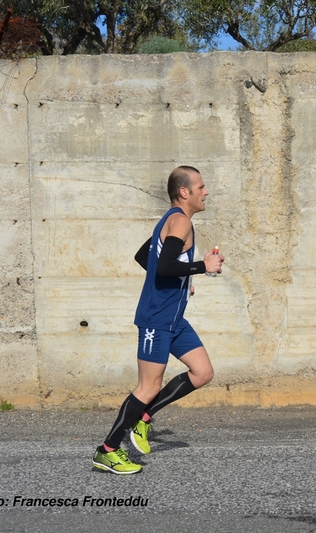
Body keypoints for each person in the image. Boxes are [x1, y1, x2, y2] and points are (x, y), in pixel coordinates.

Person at [92, 165, 224, 474]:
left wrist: (182, 280)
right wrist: (203, 267)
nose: (206, 192)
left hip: (174, 319)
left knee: (202, 372)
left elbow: (145, 258)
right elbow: (163, 267)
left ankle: (145, 418)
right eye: (201, 187)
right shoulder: (180, 222)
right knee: (147, 387)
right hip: (156, 319)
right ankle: (107, 450)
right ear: (184, 192)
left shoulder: (171, 220)